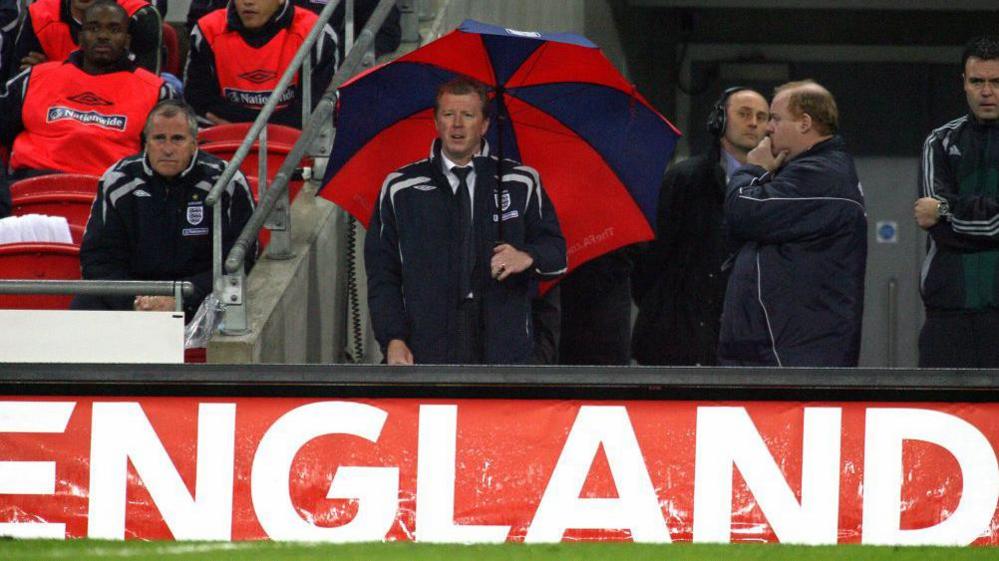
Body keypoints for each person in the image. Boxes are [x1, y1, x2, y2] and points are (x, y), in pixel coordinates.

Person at [365, 77, 567, 365]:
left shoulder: (521, 181)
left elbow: (557, 254)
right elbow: (382, 275)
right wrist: (392, 339)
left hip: (505, 351)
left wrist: (527, 256)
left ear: (484, 125)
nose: (457, 124)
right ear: (436, 122)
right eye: (448, 114)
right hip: (425, 349)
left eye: (468, 115)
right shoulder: (400, 187)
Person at [718, 80, 867, 367]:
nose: (767, 128)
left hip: (794, 353)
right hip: (779, 347)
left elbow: (744, 212)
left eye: (774, 118)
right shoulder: (803, 170)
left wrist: (752, 168)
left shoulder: (823, 175)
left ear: (805, 123)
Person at [72, 100, 255, 320]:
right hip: (135, 298)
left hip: (200, 298)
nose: (168, 149)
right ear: (146, 143)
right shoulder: (118, 180)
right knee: (85, 302)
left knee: (237, 299)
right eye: (159, 138)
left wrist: (182, 298)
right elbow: (98, 260)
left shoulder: (226, 180)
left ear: (194, 144)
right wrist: (135, 298)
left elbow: (243, 259)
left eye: (177, 139)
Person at [632, 87, 769, 365]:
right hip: (679, 335)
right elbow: (651, 256)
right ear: (719, 121)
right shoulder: (685, 179)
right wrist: (662, 309)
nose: (754, 122)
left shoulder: (777, 184)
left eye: (761, 116)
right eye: (744, 114)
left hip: (741, 339)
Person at [0, 0, 174, 218]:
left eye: (114, 29)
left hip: (113, 200)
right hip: (28, 193)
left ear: (127, 40)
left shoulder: (156, 92)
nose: (102, 36)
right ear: (80, 37)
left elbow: (170, 158)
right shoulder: (35, 78)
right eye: (93, 28)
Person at [914, 34, 999, 368]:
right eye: (977, 81)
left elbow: (940, 214)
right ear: (964, 83)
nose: (987, 91)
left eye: (996, 81)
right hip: (947, 312)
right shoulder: (939, 141)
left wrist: (948, 210)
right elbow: (932, 224)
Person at [183, 0, 338, 128]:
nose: (248, 2)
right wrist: (276, 124)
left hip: (295, 152)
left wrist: (240, 125)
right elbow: (198, 107)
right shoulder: (206, 32)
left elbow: (316, 114)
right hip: (223, 147)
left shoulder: (316, 34)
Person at [185, 0, 400, 60]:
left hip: (320, 80)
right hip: (240, 78)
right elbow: (201, 22)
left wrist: (334, 59)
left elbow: (384, 31)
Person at [12, 0, 161, 75]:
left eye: (113, 29)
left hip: (118, 116)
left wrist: (51, 74)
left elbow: (144, 89)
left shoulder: (139, 16)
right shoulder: (41, 14)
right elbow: (17, 85)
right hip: (53, 115)